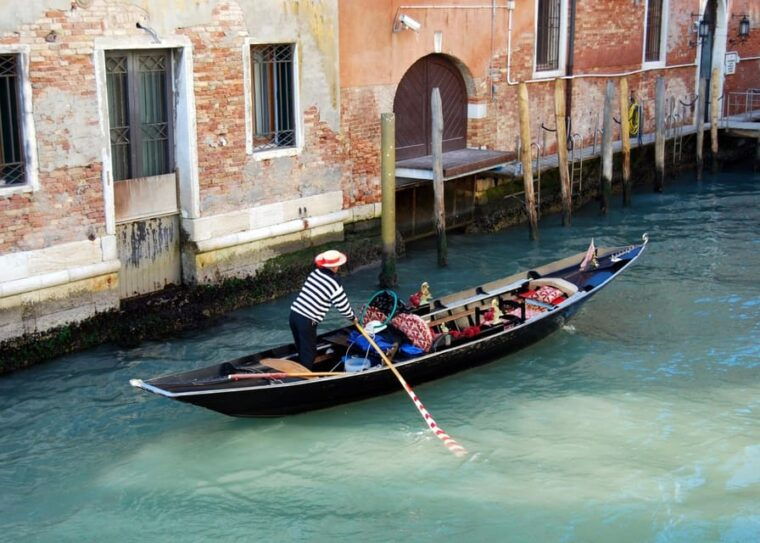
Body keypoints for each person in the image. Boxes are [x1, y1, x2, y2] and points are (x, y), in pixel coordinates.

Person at [289, 249, 356, 369]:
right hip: (306, 320)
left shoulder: (315, 273)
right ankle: (304, 381)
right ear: (335, 266)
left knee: (302, 350)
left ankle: (302, 371)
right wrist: (353, 318)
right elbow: (343, 307)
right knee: (309, 354)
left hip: (294, 315)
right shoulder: (334, 283)